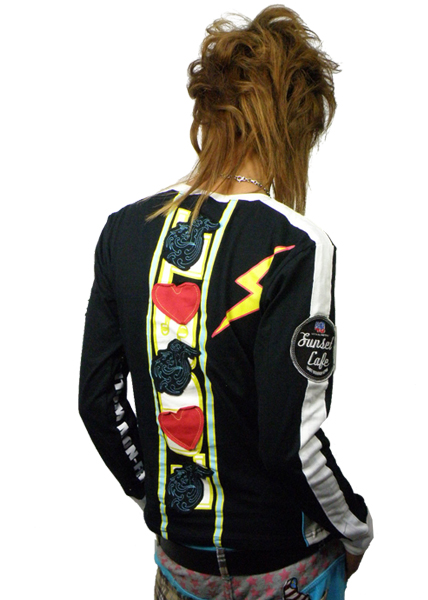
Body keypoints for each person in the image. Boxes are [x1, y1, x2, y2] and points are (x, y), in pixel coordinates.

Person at [79, 6, 373, 600]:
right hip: (285, 572)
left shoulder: (125, 230)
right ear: (295, 124)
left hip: (179, 569)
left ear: (209, 112)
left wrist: (160, 501)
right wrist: (355, 526)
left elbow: (98, 403)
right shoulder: (297, 245)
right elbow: (291, 441)